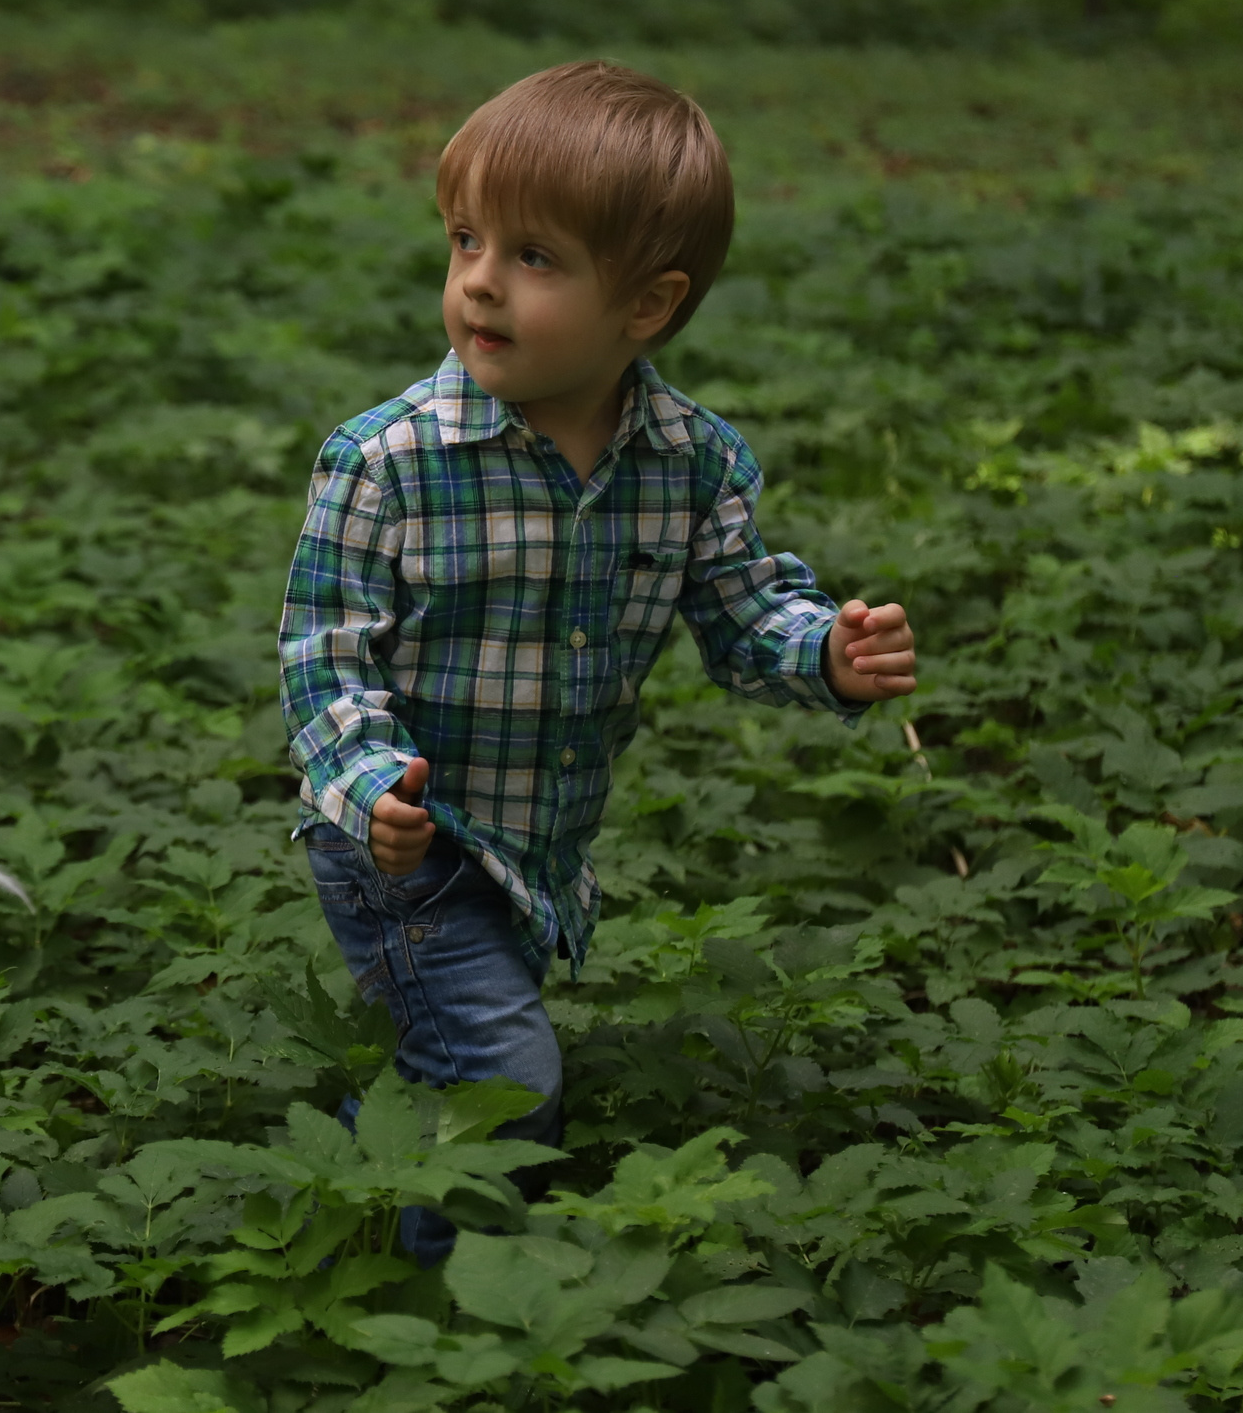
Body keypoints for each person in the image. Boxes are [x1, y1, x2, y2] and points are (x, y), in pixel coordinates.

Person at [276, 61, 918, 1264]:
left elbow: (743, 613)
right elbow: (325, 658)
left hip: (537, 845)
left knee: (447, 1053)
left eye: (534, 256)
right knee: (504, 1075)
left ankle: (350, 1189)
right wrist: (367, 788)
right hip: (405, 846)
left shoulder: (690, 464)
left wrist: (826, 653)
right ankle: (441, 1299)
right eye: (466, 238)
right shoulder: (386, 463)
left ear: (647, 305)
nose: (479, 278)